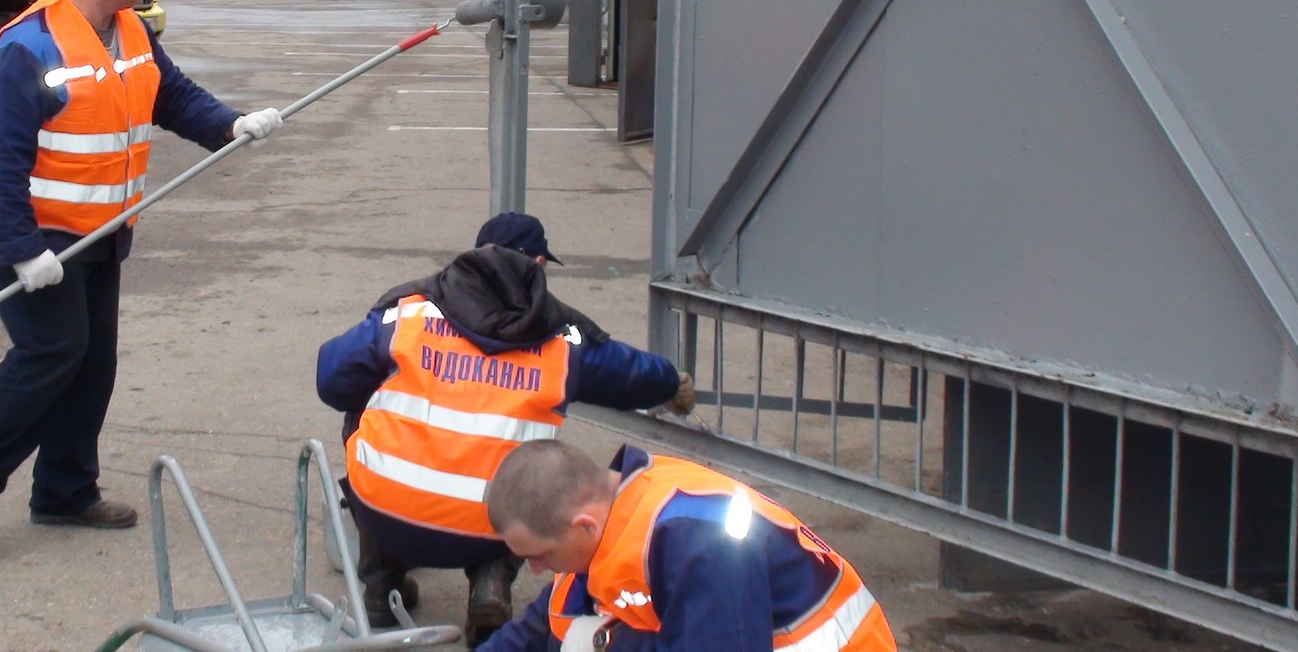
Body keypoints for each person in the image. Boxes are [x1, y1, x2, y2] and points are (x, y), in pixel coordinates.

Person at [0, 0, 284, 562]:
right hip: (35, 231)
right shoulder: (28, 46)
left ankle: (64, 490)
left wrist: (231, 126)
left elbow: (171, 96)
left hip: (103, 229)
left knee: (92, 362)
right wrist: (23, 251)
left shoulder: (132, 32)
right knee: (51, 352)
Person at [316, 213, 695, 645]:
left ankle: (382, 585)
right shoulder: (562, 342)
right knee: (530, 467)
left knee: (363, 413)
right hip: (489, 530)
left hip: (384, 513)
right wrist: (671, 383)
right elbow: (628, 373)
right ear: (536, 262)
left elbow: (332, 379)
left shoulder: (409, 313)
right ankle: (489, 588)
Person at [477, 440, 897, 652]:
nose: (534, 571)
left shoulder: (702, 544)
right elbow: (544, 625)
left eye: (539, 556)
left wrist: (610, 643)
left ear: (582, 525)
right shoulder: (612, 514)